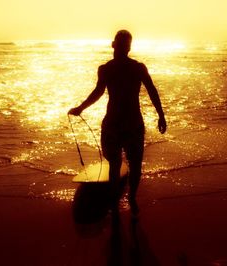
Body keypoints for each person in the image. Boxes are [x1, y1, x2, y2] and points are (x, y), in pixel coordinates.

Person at [68, 30, 166, 219]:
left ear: (127, 47)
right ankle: (125, 199)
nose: (123, 48)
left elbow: (152, 91)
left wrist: (161, 115)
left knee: (124, 164)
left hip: (125, 123)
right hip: (121, 123)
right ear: (114, 45)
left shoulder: (133, 68)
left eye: (126, 45)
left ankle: (126, 199)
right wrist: (81, 108)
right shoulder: (109, 69)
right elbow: (98, 92)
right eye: (122, 44)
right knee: (125, 164)